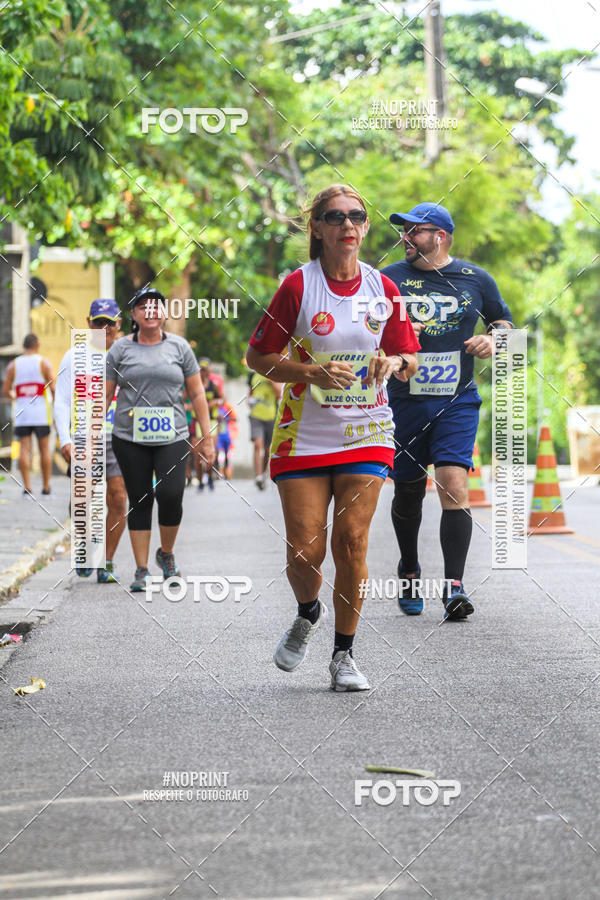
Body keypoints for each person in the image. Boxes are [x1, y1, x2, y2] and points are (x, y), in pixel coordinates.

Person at [247, 184, 420, 691]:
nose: (348, 224)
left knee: (351, 540)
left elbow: (409, 359)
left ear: (365, 228)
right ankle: (308, 611)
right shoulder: (298, 287)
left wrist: (395, 361)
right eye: (335, 216)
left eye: (357, 216)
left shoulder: (384, 289)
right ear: (317, 228)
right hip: (304, 434)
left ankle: (344, 655)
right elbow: (258, 358)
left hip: (367, 430)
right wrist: (310, 373)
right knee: (306, 552)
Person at [382, 202, 513, 619]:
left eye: (414, 231)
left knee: (454, 482)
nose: (405, 238)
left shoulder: (476, 278)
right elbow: (363, 329)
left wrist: (493, 340)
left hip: (456, 400)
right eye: (403, 231)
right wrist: (395, 332)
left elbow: (503, 321)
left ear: (439, 236)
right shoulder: (387, 279)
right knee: (408, 491)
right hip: (403, 401)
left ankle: (454, 586)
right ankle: (409, 569)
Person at [105, 287, 214, 591]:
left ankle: (166, 553)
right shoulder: (120, 350)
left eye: (156, 306)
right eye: (143, 306)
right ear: (133, 314)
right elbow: (105, 395)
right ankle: (141, 569)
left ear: (164, 313)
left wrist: (206, 438)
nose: (150, 311)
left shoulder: (180, 348)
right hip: (129, 437)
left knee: (171, 494)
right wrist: (89, 432)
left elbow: (197, 394)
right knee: (139, 498)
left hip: (173, 435)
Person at [54, 299, 127, 582]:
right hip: (84, 437)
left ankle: (106, 562)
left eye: (110, 323)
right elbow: (61, 400)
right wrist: (65, 439)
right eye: (99, 322)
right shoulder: (74, 356)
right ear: (88, 323)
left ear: (119, 324)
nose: (105, 328)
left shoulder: (127, 356)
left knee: (118, 497)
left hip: (119, 437)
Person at [2, 333, 54, 496]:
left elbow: (5, 390)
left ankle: (27, 487)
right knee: (44, 449)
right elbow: (53, 388)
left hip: (22, 413)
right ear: (37, 345)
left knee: (24, 449)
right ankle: (46, 487)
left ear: (24, 346)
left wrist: (16, 396)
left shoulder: (13, 365)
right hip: (41, 414)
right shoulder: (44, 363)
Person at [248, 372, 281, 490]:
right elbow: (250, 393)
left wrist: (270, 379)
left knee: (267, 449)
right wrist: (249, 401)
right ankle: (258, 476)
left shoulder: (273, 374)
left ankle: (263, 473)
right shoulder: (253, 376)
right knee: (257, 445)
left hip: (271, 416)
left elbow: (279, 393)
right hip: (255, 416)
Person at [197, 358, 222, 491]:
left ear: (208, 371)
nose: (202, 372)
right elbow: (183, 398)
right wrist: (189, 406)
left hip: (211, 420)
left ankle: (210, 477)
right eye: (200, 370)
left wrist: (215, 402)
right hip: (197, 421)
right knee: (197, 453)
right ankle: (200, 481)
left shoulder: (214, 385)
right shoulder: (194, 384)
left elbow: (222, 398)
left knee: (210, 451)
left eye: (204, 370)